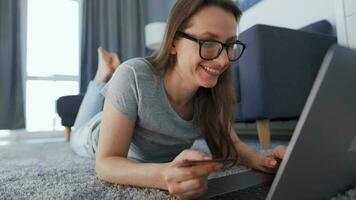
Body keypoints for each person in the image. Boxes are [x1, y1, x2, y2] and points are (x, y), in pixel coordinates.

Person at [70, 0, 286, 199]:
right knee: (76, 132)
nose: (222, 61)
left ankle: (108, 78)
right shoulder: (133, 75)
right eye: (208, 42)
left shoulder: (213, 89)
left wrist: (263, 160)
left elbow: (232, 145)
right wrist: (164, 174)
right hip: (93, 134)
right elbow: (106, 163)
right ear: (173, 42)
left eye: (230, 45)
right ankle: (102, 74)